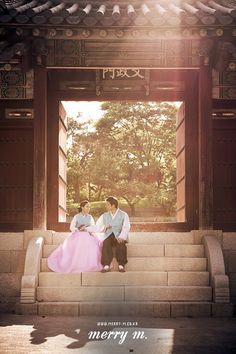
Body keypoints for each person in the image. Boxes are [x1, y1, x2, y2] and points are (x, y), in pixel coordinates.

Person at [47, 200, 103, 273]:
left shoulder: (90, 217)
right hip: (78, 234)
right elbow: (71, 227)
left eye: (89, 207)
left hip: (87, 233)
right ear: (82, 207)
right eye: (87, 207)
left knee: (92, 243)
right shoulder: (77, 216)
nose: (89, 208)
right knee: (79, 241)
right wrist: (78, 229)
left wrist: (86, 229)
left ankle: (90, 264)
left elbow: (93, 227)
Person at [86, 196, 130, 273]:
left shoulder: (124, 214)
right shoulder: (104, 215)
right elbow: (97, 226)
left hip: (119, 235)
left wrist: (122, 236)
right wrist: (86, 229)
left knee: (121, 245)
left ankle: (121, 265)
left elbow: (126, 227)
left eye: (107, 205)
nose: (106, 206)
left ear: (113, 205)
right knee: (106, 243)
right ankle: (106, 265)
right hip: (108, 235)